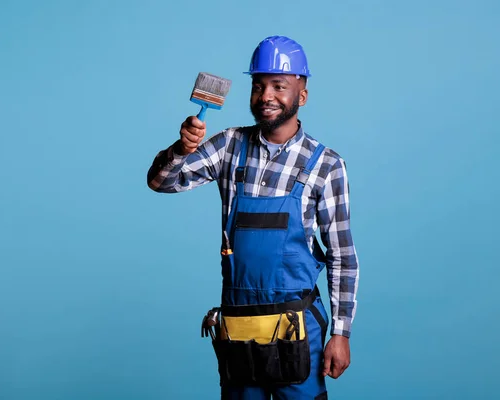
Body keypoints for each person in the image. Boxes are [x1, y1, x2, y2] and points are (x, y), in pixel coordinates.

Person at [146, 35, 359, 400]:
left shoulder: (326, 165)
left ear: (301, 95)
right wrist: (181, 149)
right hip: (239, 327)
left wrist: (340, 333)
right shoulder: (229, 145)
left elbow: (342, 256)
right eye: (258, 86)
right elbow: (161, 183)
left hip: (298, 328)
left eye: (279, 86)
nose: (266, 96)